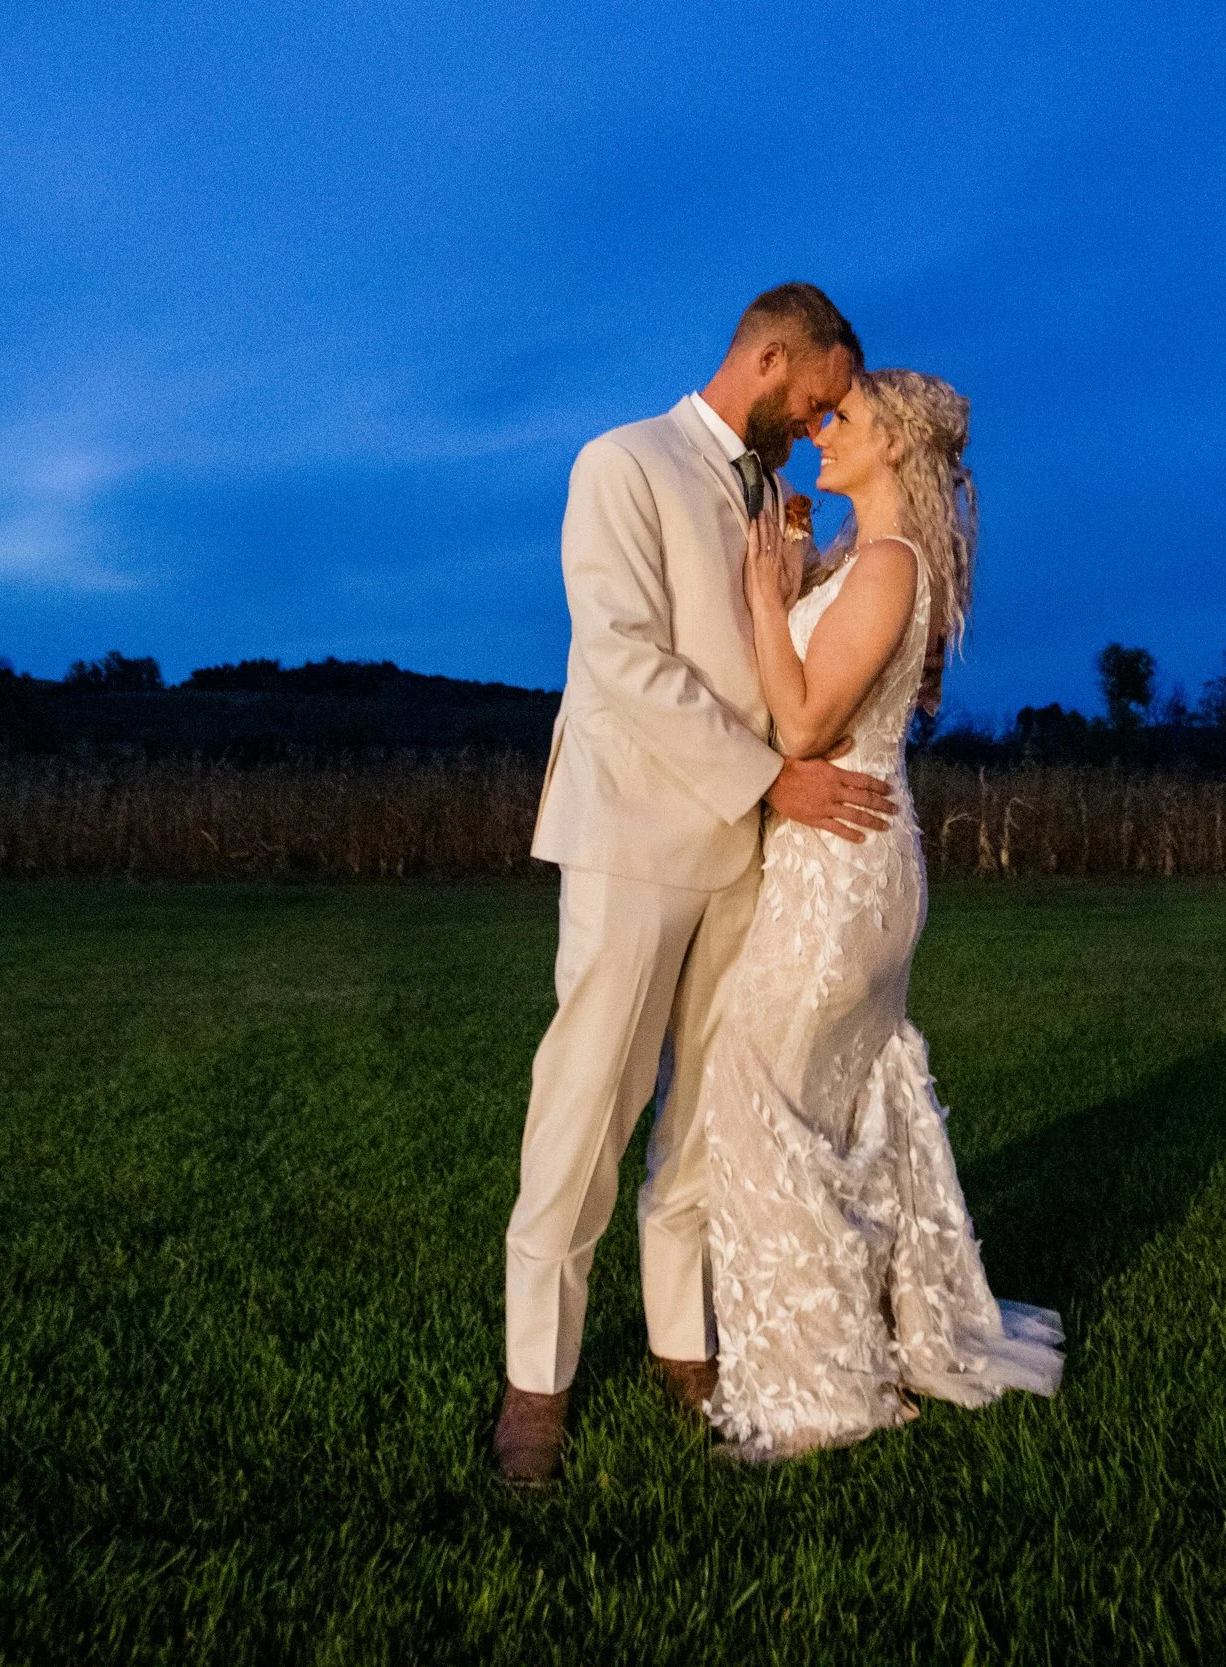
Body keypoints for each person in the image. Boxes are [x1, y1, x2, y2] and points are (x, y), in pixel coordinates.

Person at [494, 283, 895, 1486]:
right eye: (815, 399)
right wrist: (771, 778)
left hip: (746, 858)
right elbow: (619, 659)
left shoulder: (774, 495)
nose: (816, 425)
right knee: (585, 1112)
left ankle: (684, 1347)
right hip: (630, 839)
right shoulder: (620, 462)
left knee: (706, 1119)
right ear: (771, 359)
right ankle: (535, 1389)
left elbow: (790, 652)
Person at [701, 368, 1064, 1460]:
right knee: (832, 1100)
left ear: (894, 448)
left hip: (842, 867)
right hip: (842, 859)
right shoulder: (865, 560)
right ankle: (883, 1329)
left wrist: (768, 595)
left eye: (842, 421)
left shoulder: (892, 564)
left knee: (755, 1090)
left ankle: (821, 1383)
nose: (822, 430)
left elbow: (805, 721)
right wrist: (797, 565)